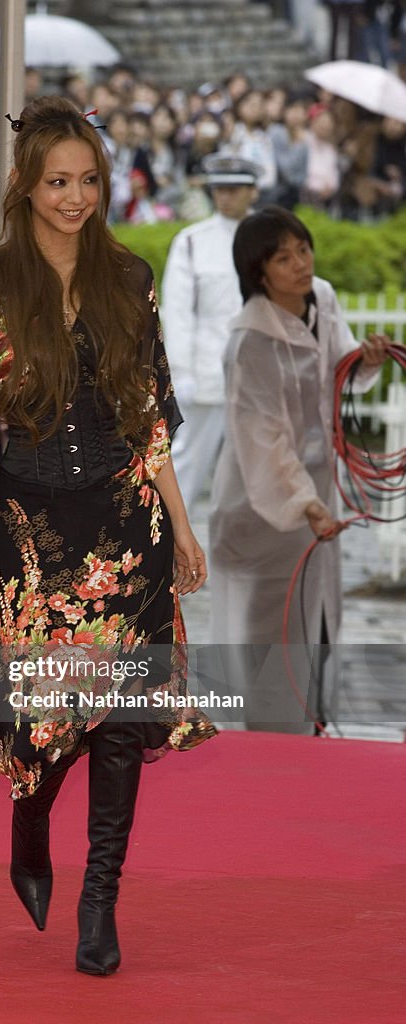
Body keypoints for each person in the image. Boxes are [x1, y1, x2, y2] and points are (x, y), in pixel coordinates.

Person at [0, 95, 216, 976]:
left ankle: (99, 899)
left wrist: (181, 528)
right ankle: (30, 823)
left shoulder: (130, 278)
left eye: (89, 180)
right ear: (25, 187)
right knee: (46, 722)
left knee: (120, 724)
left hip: (127, 527)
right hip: (30, 534)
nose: (75, 197)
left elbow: (149, 416)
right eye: (58, 182)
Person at [208, 207, 388, 734]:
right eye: (283, 258)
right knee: (267, 638)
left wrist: (368, 361)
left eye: (302, 250)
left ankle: (308, 733)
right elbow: (263, 439)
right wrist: (303, 502)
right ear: (258, 273)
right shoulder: (250, 342)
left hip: (313, 497)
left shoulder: (323, 300)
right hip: (261, 505)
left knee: (318, 625)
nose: (300, 264)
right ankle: (266, 751)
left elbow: (339, 369)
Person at [161, 155, 259, 513]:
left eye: (234, 189)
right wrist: (182, 371)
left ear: (253, 191)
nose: (225, 197)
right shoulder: (192, 241)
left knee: (254, 472)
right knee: (186, 465)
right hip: (204, 373)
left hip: (255, 376)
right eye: (219, 189)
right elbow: (179, 312)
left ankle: (247, 554)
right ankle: (170, 543)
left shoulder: (269, 238)